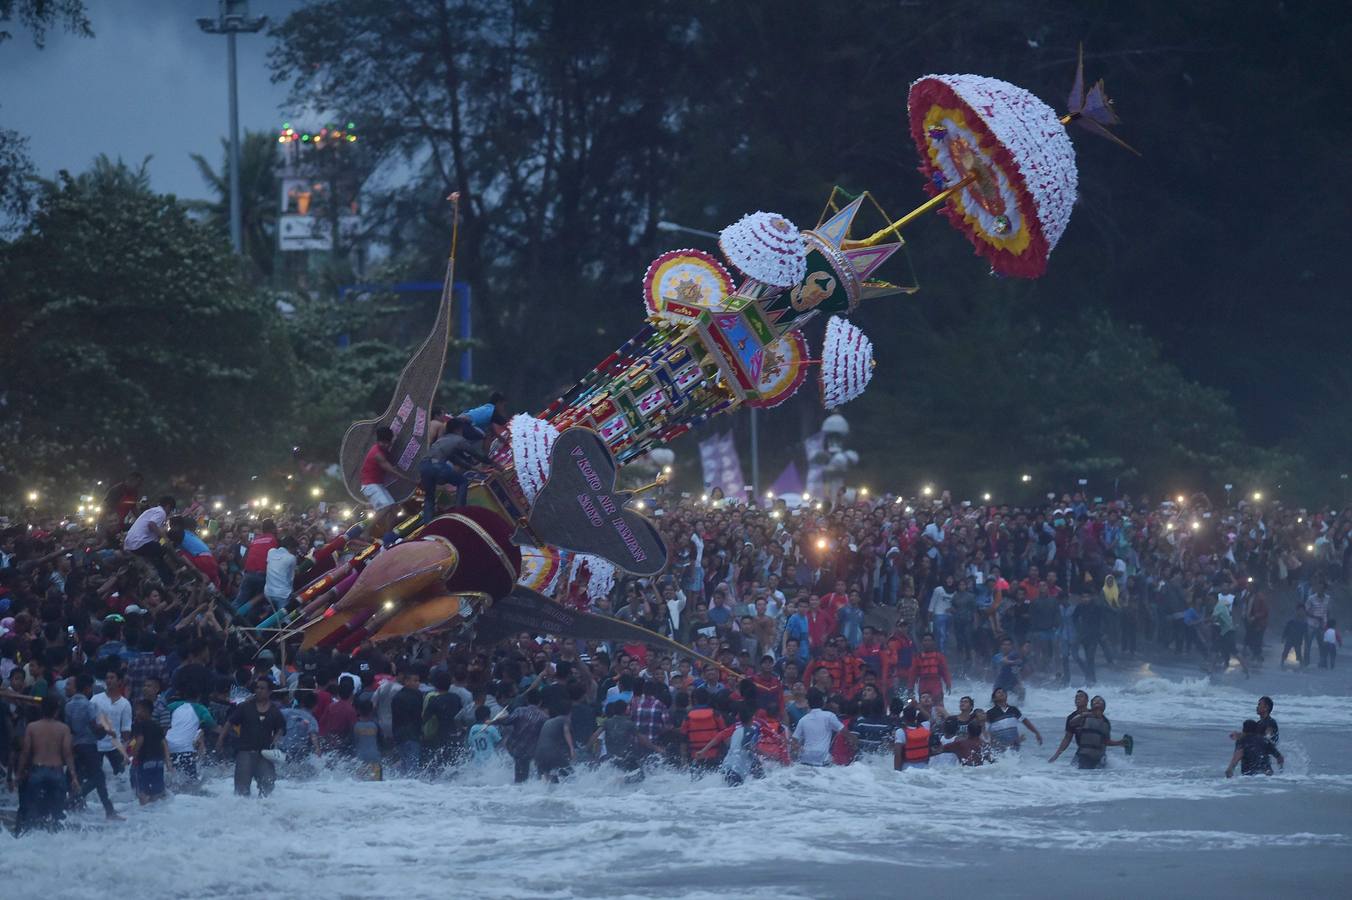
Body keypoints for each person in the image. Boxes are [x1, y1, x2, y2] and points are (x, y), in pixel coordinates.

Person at [16, 695, 81, 833]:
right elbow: (67, 754)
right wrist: (74, 777)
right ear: (57, 711)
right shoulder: (63, 729)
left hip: (37, 770)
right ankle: (54, 843)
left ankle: (28, 840)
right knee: (57, 814)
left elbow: (25, 752)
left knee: (31, 813)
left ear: (41, 709)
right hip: (57, 771)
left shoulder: (32, 727)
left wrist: (19, 773)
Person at [65, 672, 123, 820]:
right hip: (89, 746)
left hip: (74, 745)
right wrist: (107, 731)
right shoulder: (89, 705)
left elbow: (68, 728)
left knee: (77, 776)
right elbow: (94, 727)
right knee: (98, 777)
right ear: (87, 688)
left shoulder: (68, 705)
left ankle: (72, 805)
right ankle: (105, 809)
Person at [217, 677, 286, 797]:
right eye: (257, 688)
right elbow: (230, 722)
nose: (259, 690)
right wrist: (220, 740)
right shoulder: (245, 707)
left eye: (262, 688)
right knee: (241, 791)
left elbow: (281, 728)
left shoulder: (275, 711)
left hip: (265, 754)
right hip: (245, 752)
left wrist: (276, 739)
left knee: (268, 787)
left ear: (269, 692)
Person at [418, 417, 493, 522]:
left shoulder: (442, 439)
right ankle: (459, 513)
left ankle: (428, 523)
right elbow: (477, 455)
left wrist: (472, 468)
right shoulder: (459, 439)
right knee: (462, 482)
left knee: (429, 497)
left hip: (424, 466)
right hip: (437, 466)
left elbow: (454, 459)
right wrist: (493, 463)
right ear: (459, 429)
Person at [1049, 695, 1124, 769]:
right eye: (1095, 701)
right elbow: (1072, 723)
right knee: (1075, 777)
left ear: (1104, 707)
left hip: (1099, 758)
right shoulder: (1084, 717)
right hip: (1083, 756)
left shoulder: (1106, 722)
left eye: (1100, 701)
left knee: (1099, 779)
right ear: (1091, 705)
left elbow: (1106, 741)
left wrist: (1119, 742)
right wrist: (1083, 715)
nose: (1097, 701)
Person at [698, 706, 762, 785]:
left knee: (729, 793)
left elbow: (719, 737)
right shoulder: (750, 730)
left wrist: (703, 751)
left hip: (726, 767)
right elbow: (746, 745)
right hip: (736, 770)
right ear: (752, 719)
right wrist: (765, 754)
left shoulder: (736, 731)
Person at [360, 426, 404, 541]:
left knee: (394, 509)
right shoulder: (377, 454)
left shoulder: (387, 447)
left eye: (386, 442)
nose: (384, 445)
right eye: (381, 442)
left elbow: (393, 439)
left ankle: (388, 536)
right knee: (386, 507)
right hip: (369, 485)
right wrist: (411, 480)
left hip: (378, 484)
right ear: (378, 441)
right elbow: (392, 471)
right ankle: (366, 532)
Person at [123, 495, 177, 585]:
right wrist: (166, 540)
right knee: (163, 552)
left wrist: (163, 542)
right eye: (171, 510)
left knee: (158, 555)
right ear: (168, 507)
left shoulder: (152, 511)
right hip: (139, 543)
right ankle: (170, 579)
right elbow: (152, 525)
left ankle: (168, 579)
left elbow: (156, 536)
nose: (170, 513)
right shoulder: (161, 513)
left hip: (132, 544)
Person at [498, 691, 547, 784]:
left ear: (527, 701)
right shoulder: (544, 717)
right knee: (524, 772)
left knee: (519, 772)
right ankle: (523, 792)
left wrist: (492, 721)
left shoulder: (520, 711)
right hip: (530, 750)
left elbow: (506, 721)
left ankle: (516, 791)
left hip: (514, 747)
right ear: (540, 702)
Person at [128, 698, 170, 804]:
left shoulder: (139, 725)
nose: (136, 712)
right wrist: (168, 761)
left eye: (138, 710)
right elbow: (164, 743)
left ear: (146, 711)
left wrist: (131, 757)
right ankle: (156, 814)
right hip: (158, 763)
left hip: (144, 762)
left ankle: (143, 815)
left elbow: (139, 740)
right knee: (157, 794)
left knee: (142, 793)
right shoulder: (157, 726)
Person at [91, 669, 132, 777]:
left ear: (119, 681)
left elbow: (126, 730)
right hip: (96, 746)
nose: (108, 680)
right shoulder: (95, 699)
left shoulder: (125, 704)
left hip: (115, 747)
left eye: (112, 678)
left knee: (121, 780)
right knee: (95, 778)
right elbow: (89, 721)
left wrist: (125, 751)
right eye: (107, 678)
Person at [792, 688, 846, 767]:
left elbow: (794, 740)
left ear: (808, 703)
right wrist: (854, 739)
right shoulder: (829, 716)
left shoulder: (803, 719)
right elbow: (843, 731)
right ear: (823, 702)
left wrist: (799, 748)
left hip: (806, 756)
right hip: (823, 757)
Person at [233, 519, 279, 612]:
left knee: (239, 601)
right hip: (262, 575)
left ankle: (228, 618)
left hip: (248, 574)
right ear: (273, 529)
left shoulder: (255, 540)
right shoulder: (273, 540)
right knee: (258, 603)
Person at [390, 665, 426, 776]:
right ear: (406, 681)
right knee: (413, 766)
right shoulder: (417, 696)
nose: (418, 683)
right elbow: (418, 716)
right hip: (412, 735)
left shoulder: (397, 696)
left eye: (418, 681)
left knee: (405, 763)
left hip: (400, 735)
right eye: (415, 681)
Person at [986, 687, 1042, 752]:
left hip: (1015, 746)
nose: (1002, 693)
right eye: (999, 692)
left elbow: (1025, 721)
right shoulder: (990, 713)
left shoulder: (1014, 710)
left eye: (1003, 692)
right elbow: (986, 729)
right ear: (994, 698)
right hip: (999, 747)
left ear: (1007, 696)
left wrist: (1036, 733)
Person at [534, 699, 575, 783]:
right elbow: (566, 731)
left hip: (538, 754)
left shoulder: (548, 721)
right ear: (570, 712)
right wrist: (572, 748)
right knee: (571, 775)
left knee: (548, 779)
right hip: (551, 752)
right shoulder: (565, 719)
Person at [908, 633, 952, 707]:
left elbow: (945, 671)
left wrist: (948, 684)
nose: (927, 642)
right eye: (925, 640)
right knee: (923, 707)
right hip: (923, 684)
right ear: (922, 642)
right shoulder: (917, 657)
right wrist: (910, 688)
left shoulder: (939, 656)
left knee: (939, 707)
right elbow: (912, 673)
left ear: (933, 642)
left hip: (936, 684)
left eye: (929, 640)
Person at [893, 706, 931, 771]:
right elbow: (928, 718)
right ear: (916, 717)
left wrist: (897, 772)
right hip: (925, 768)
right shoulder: (926, 727)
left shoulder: (900, 732)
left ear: (904, 718)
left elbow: (897, 754)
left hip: (907, 769)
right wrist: (919, 707)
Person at [353, 697, 383, 780]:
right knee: (378, 785)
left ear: (358, 711)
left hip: (360, 760)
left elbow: (353, 743)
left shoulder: (355, 726)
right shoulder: (376, 726)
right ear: (371, 711)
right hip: (375, 759)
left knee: (361, 786)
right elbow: (381, 743)